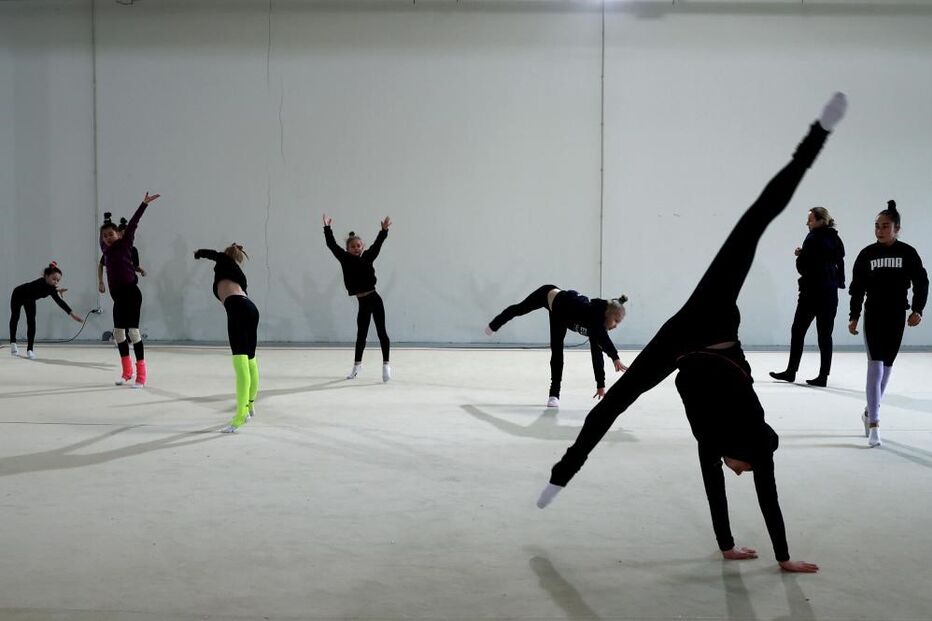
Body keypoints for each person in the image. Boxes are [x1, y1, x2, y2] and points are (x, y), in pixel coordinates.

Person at [537, 93, 850, 574]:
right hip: (708, 320)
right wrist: (782, 557)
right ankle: (818, 135)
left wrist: (749, 549)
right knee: (755, 221)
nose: (742, 476)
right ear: (745, 454)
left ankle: (562, 473)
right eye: (745, 469)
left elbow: (738, 489)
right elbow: (762, 492)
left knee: (620, 399)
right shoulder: (749, 441)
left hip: (688, 343)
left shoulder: (713, 434)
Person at [848, 200, 927, 447]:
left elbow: (922, 282)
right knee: (875, 365)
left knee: (888, 367)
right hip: (873, 314)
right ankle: (875, 425)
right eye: (876, 226)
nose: (879, 230)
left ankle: (869, 411)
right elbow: (857, 287)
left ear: (897, 228)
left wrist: (918, 310)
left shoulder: (908, 253)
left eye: (885, 226)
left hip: (896, 316)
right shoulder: (867, 254)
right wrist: (854, 315)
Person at [485, 286, 628, 407]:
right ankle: (494, 324)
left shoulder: (597, 327)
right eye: (615, 321)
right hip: (549, 297)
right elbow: (604, 340)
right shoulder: (588, 312)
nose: (615, 326)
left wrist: (600, 385)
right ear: (608, 314)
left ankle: (554, 395)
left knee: (557, 352)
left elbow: (597, 353)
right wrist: (615, 358)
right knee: (519, 309)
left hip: (560, 317)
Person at [770, 206, 845, 387]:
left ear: (820, 221)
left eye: (810, 219)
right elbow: (839, 260)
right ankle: (823, 376)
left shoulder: (812, 238)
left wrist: (800, 255)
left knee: (798, 331)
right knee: (825, 335)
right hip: (829, 293)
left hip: (811, 293)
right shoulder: (835, 238)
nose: (807, 223)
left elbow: (804, 267)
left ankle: (791, 371)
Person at [195, 243, 260, 433]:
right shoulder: (239, 275)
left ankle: (240, 416)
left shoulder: (224, 260)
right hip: (250, 308)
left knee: (240, 363)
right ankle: (249, 405)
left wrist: (199, 252)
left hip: (237, 309)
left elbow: (213, 254)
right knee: (250, 360)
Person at [323, 214, 392, 382]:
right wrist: (327, 228)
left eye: (358, 245)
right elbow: (331, 245)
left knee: (381, 332)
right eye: (353, 246)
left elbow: (378, 245)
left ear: (362, 246)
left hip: (374, 299)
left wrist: (383, 230)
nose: (356, 248)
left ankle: (386, 365)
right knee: (361, 335)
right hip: (362, 303)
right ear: (348, 249)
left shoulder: (368, 256)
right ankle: (357, 365)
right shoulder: (345, 259)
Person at [99, 193, 159, 387]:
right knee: (118, 334)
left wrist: (143, 204)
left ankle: (141, 375)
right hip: (118, 298)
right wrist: (105, 222)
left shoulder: (125, 244)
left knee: (133, 333)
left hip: (132, 294)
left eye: (111, 234)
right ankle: (127, 372)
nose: (108, 238)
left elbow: (133, 224)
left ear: (119, 234)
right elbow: (103, 235)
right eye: (105, 236)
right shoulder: (105, 251)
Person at [9, 262, 84, 358]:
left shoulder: (51, 288)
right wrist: (56, 290)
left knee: (31, 322)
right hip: (18, 294)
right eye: (54, 279)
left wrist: (72, 314)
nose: (56, 282)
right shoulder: (40, 282)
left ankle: (30, 349)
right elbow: (44, 289)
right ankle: (13, 343)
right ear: (46, 276)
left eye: (58, 280)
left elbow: (60, 302)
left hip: (30, 299)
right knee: (15, 317)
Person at [98, 217, 146, 293]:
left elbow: (134, 267)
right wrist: (101, 281)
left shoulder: (133, 250)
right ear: (119, 234)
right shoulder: (110, 251)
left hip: (129, 285)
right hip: (117, 287)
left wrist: (141, 270)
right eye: (123, 233)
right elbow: (101, 265)